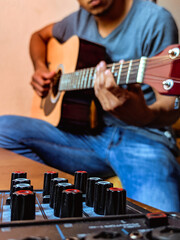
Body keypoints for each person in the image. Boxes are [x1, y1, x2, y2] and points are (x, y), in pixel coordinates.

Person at [0, 0, 180, 211]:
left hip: (144, 139)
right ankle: (62, 200)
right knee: (4, 129)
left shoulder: (154, 19)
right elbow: (38, 37)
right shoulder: (75, 22)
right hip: (87, 137)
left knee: (160, 224)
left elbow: (170, 108)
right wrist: (40, 68)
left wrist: (143, 115)